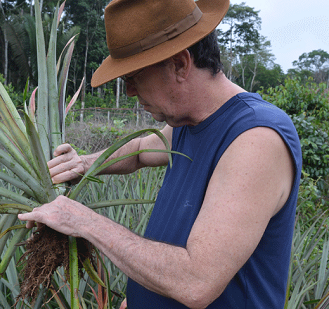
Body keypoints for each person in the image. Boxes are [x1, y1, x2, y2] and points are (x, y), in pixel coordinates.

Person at [18, 0, 302, 307]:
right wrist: (82, 164)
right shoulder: (188, 122)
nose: (129, 92)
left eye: (134, 76)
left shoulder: (255, 138)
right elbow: (141, 150)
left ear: (180, 64)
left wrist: (84, 222)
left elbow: (197, 282)